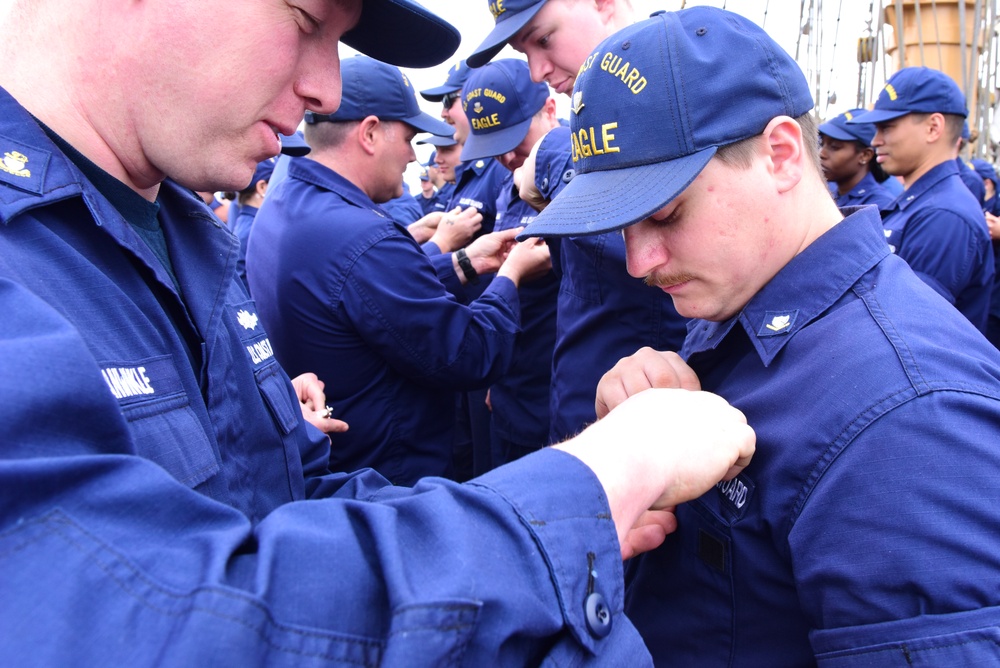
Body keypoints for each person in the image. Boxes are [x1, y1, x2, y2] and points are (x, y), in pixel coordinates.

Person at [0, 0, 761, 663]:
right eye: (304, 21)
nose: (324, 86)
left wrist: (547, 514)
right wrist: (591, 484)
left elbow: (292, 503)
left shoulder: (186, 236)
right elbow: (135, 624)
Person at [516, 7, 1000, 664]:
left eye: (664, 213)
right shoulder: (738, 309)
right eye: (622, 223)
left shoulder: (910, 417)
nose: (638, 261)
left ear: (778, 155)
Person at [247, 54, 551, 485]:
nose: (413, 156)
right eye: (409, 137)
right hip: (389, 474)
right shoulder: (361, 236)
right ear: (370, 132)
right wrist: (511, 277)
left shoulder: (287, 196)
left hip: (342, 461)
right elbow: (469, 352)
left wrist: (467, 261)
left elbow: (367, 300)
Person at [469, 0, 689, 444]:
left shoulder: (678, 78)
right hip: (575, 415)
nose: (536, 71)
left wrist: (553, 157)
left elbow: (646, 233)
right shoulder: (592, 121)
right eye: (523, 50)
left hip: (639, 436)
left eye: (544, 39)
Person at [460, 58, 562, 466]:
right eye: (495, 146)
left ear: (551, 110)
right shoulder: (508, 185)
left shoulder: (583, 178)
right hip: (511, 389)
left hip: (557, 394)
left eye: (516, 139)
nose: (507, 157)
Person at [849, 67, 994, 332]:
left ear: (933, 127)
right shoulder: (923, 203)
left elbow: (906, 327)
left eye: (887, 127)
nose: (875, 140)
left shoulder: (943, 216)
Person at [818, 109, 896, 210]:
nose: (821, 153)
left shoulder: (877, 206)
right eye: (821, 144)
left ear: (865, 155)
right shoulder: (831, 193)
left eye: (835, 147)